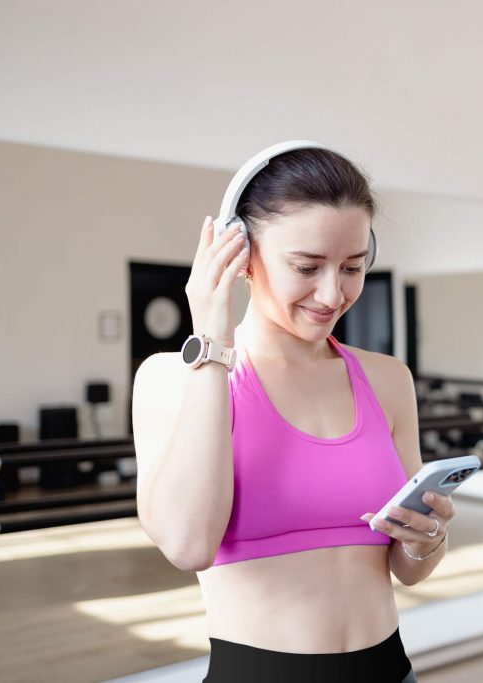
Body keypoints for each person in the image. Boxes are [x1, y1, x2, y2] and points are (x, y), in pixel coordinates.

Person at [131, 145, 452, 682]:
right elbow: (188, 545)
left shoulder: (387, 379)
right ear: (242, 255)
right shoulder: (171, 378)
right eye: (306, 267)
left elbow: (406, 570)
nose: (333, 293)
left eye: (353, 267)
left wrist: (427, 541)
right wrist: (210, 340)